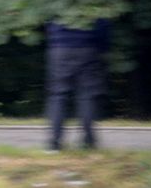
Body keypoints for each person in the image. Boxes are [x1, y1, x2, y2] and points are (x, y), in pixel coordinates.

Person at [45, 18, 109, 151]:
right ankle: (88, 142)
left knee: (58, 95)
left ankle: (54, 144)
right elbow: (103, 23)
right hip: (88, 47)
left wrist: (55, 40)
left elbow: (48, 21)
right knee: (87, 96)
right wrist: (101, 48)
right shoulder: (93, 3)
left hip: (60, 48)